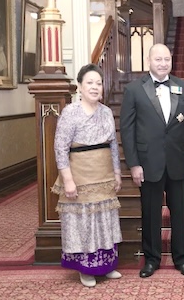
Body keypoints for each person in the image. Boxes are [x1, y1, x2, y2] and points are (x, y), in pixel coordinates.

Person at [120, 43, 184, 278]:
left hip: (178, 162)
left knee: (179, 214)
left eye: (167, 59)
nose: (163, 63)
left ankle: (181, 259)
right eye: (158, 59)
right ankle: (152, 260)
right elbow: (127, 130)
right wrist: (134, 164)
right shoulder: (134, 90)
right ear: (149, 60)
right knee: (150, 214)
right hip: (148, 164)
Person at [52, 63, 123, 287]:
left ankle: (107, 265)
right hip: (79, 175)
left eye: (98, 83)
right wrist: (68, 180)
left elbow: (112, 146)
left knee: (104, 220)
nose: (95, 87)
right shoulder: (70, 112)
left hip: (103, 175)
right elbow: (60, 148)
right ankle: (86, 269)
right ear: (80, 87)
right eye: (89, 83)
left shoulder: (106, 112)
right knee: (84, 222)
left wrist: (117, 173)